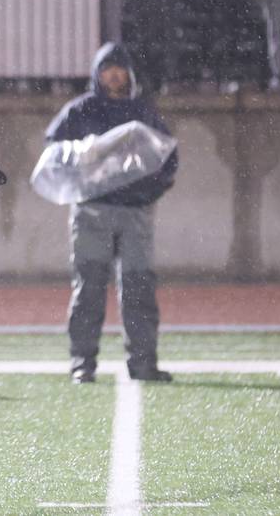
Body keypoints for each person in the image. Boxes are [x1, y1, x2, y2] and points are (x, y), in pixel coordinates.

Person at [44, 42, 177, 385]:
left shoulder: (143, 113)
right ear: (96, 73)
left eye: (120, 68)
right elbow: (55, 152)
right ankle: (82, 363)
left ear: (130, 74)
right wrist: (82, 165)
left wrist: (147, 193)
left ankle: (143, 362)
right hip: (92, 211)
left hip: (134, 213)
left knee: (139, 288)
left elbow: (166, 157)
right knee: (88, 288)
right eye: (107, 68)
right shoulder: (80, 111)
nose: (114, 75)